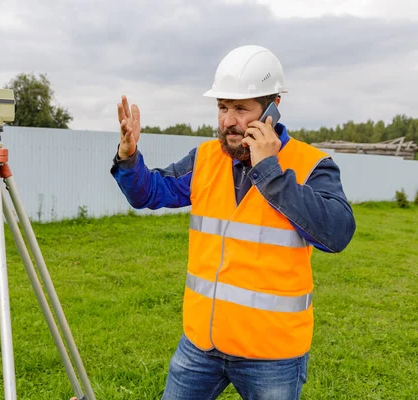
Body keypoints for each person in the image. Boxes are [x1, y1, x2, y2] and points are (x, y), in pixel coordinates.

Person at [110, 45, 356, 400]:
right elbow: (149, 193)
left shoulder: (311, 164)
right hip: (201, 346)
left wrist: (270, 171)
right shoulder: (206, 158)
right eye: (223, 107)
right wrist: (129, 158)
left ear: (273, 108)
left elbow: (336, 234)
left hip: (272, 355)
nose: (228, 120)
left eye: (241, 109)